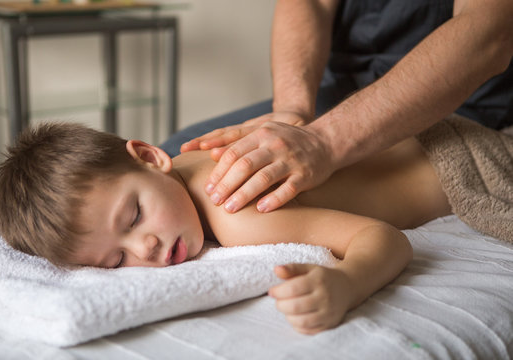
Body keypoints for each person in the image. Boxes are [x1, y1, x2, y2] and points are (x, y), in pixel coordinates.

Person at [0, 121, 468, 335]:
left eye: (134, 217)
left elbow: (384, 239)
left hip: (462, 163)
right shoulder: (188, 159)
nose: (147, 248)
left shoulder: (231, 211)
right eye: (116, 261)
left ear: (150, 157)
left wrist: (347, 282)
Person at [163, 0, 513, 215]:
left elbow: (488, 33)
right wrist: (291, 111)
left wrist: (324, 142)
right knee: (177, 159)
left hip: (465, 104)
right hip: (340, 91)